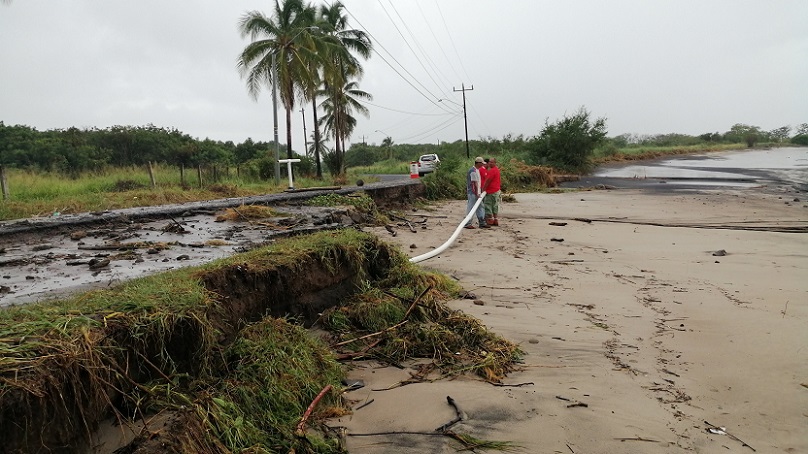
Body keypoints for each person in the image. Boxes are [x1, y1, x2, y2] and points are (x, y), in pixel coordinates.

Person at [464, 157, 489, 229]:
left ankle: (482, 222)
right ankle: (468, 223)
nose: (483, 165)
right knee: (471, 208)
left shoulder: (477, 170)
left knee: (480, 207)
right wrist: (476, 193)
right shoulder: (473, 171)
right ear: (478, 163)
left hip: (477, 193)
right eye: (481, 163)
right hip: (473, 193)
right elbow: (474, 184)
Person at [481, 157, 501, 226]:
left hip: (491, 191)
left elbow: (487, 181)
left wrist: (483, 189)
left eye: (492, 162)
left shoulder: (492, 171)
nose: (490, 163)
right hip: (496, 190)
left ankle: (490, 220)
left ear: (495, 163)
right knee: (495, 206)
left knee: (488, 205)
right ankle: (495, 219)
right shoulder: (496, 170)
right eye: (489, 162)